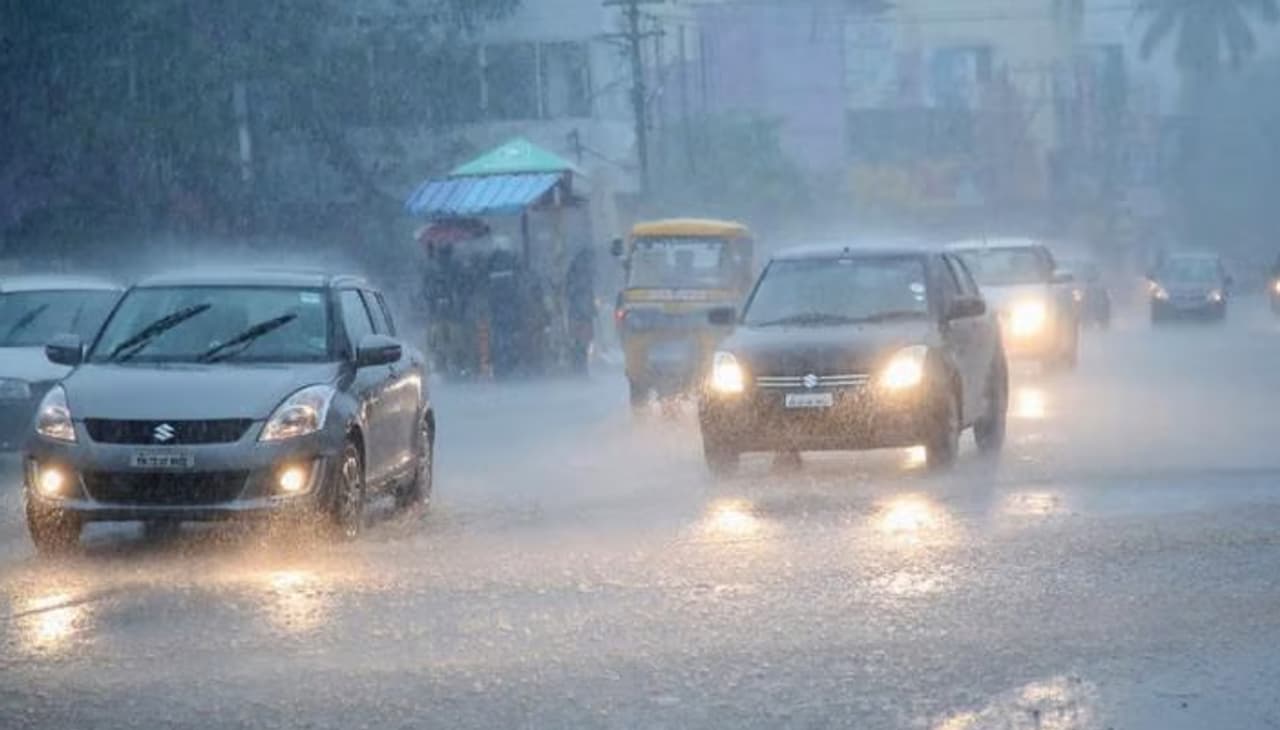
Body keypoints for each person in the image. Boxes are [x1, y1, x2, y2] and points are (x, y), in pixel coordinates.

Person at [566, 247, 597, 375]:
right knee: (582, 343)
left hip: (577, 313)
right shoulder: (583, 274)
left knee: (579, 343)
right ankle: (581, 369)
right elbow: (585, 293)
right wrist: (591, 308)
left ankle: (579, 368)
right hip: (582, 314)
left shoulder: (574, 272)